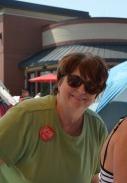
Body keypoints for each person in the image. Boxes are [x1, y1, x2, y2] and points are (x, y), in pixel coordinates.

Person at [0, 52, 109, 183]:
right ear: (60, 81)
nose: (81, 90)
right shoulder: (27, 115)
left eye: (91, 86)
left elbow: (93, 179)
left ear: (97, 93)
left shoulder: (97, 127)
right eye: (74, 81)